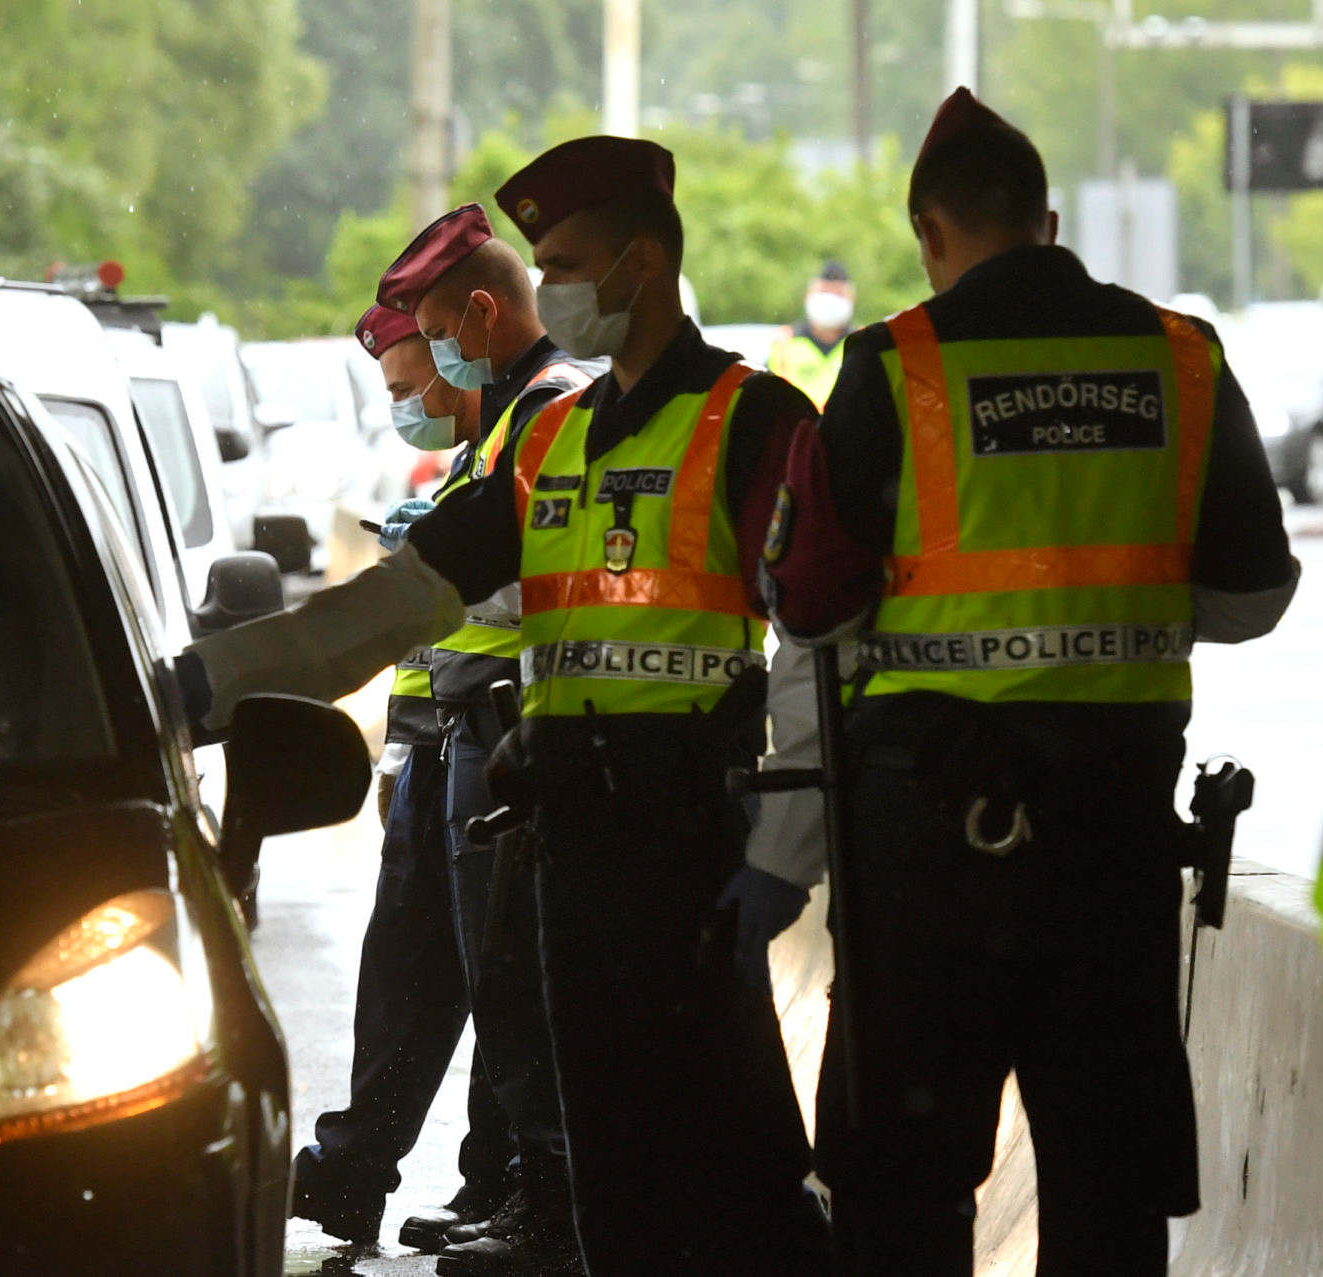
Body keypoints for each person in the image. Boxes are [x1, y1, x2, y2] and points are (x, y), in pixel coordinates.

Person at [179, 136, 832, 1274]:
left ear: (643, 259)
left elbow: (821, 641)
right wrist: (209, 686)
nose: (561, 288)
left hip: (694, 859)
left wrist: (782, 855)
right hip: (567, 855)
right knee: (606, 1180)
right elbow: (391, 607)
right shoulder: (553, 443)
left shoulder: (752, 420)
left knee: (740, 1166)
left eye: (572, 262)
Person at [756, 88, 1300, 1275]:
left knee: (902, 1178)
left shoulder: (895, 365)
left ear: (930, 235)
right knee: (1107, 1174)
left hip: (927, 849)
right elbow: (1256, 597)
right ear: (1047, 222)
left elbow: (809, 603)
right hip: (1110, 844)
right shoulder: (1181, 355)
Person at [373, 204, 597, 1275]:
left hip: (514, 717)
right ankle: (522, 1193)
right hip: (481, 720)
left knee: (515, 983)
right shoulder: (513, 414)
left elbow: (523, 582)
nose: (437, 369)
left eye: (436, 337)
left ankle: (547, 1207)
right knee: (500, 980)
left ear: (479, 309)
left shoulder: (549, 408)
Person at [286, 303, 515, 1255]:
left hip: (502, 739)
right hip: (439, 746)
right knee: (409, 979)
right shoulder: (470, 458)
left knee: (496, 982)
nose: (405, 404)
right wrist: (401, 750)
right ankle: (355, 1174)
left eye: (409, 381)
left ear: (458, 354)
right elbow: (429, 642)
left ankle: (501, 1188)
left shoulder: (533, 425)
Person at [766, 259, 855, 410]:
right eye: (824, 292)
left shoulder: (862, 343)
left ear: (852, 298)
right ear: (808, 295)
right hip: (795, 430)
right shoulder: (784, 342)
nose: (830, 301)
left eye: (838, 294)